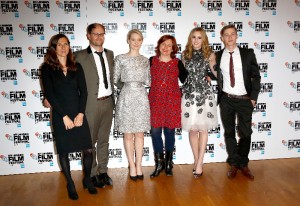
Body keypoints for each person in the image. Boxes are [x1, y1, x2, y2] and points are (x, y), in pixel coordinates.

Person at [40, 34, 97, 200]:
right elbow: (49, 94)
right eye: (59, 45)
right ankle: (70, 183)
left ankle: (87, 179)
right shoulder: (46, 68)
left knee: (87, 149)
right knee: (64, 151)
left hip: (77, 111)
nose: (63, 47)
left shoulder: (76, 66)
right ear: (54, 48)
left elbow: (84, 92)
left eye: (66, 44)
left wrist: (80, 114)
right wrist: (64, 116)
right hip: (60, 114)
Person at [215, 24, 261, 180]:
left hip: (244, 100)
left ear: (236, 36)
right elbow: (215, 73)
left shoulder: (248, 53)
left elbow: (256, 76)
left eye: (232, 34)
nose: (229, 37)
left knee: (246, 134)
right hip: (226, 99)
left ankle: (243, 163)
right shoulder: (218, 55)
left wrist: (253, 97)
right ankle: (234, 164)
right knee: (229, 134)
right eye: (226, 35)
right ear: (222, 38)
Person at [74, 23, 116, 187]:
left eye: (102, 34)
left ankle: (103, 173)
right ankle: (90, 176)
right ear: (88, 36)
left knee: (104, 141)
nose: (99, 37)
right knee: (89, 143)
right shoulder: (78, 56)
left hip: (108, 103)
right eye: (95, 34)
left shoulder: (111, 54)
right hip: (90, 105)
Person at [149, 35, 188, 177]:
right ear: (159, 46)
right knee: (155, 132)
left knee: (170, 133)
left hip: (172, 101)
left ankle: (169, 163)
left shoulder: (177, 63)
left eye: (169, 45)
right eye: (163, 44)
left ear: (173, 48)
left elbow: (186, 80)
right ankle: (159, 164)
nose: (166, 48)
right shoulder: (151, 61)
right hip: (155, 101)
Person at [114, 29, 151, 181]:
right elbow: (115, 80)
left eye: (139, 39)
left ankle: (139, 166)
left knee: (140, 134)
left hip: (141, 97)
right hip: (126, 97)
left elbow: (148, 81)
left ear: (142, 41)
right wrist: (127, 88)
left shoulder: (145, 60)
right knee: (128, 134)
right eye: (133, 39)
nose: (136, 42)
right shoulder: (120, 59)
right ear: (128, 40)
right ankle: (132, 166)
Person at [181, 27, 218, 178]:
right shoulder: (184, 55)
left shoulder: (210, 54)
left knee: (203, 129)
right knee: (192, 130)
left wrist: (213, 76)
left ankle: (200, 162)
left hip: (204, 95)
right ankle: (196, 160)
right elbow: (183, 75)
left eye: (199, 37)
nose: (196, 40)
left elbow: (216, 72)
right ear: (190, 39)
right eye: (193, 37)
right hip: (189, 96)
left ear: (204, 40)